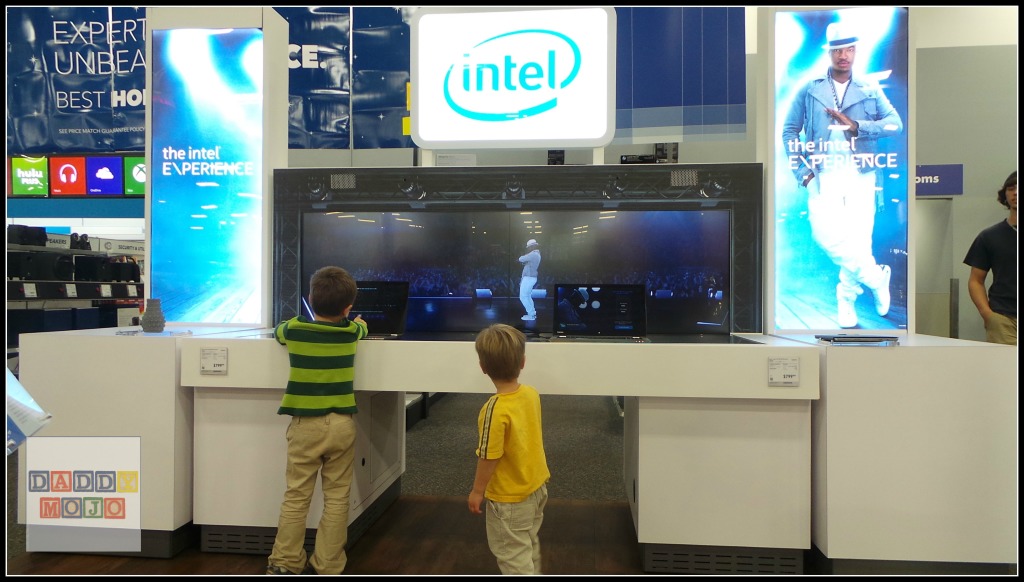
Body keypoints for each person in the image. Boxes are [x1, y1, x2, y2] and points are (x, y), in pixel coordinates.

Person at [782, 20, 904, 328]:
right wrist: (803, 172)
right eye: (838, 50)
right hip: (822, 175)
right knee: (825, 235)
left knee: (858, 240)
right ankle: (877, 278)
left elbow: (895, 124)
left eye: (849, 49)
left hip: (861, 174)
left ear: (856, 51)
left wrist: (858, 126)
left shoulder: (868, 89)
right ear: (829, 53)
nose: (843, 56)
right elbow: (789, 131)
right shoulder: (810, 90)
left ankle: (845, 301)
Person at [266, 266, 368, 575]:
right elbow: (361, 328)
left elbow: (278, 332)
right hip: (341, 424)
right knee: (337, 498)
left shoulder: (296, 329)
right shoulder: (351, 332)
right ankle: (328, 565)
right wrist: (358, 322)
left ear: (311, 298)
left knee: (297, 495)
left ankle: (285, 563)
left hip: (305, 426)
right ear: (348, 308)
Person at [468, 324, 550, 575]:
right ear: (523, 362)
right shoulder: (531, 394)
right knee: (526, 546)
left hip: (509, 499)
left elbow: (489, 456)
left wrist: (477, 490)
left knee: (513, 559)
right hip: (536, 489)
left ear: (483, 367)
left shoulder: (494, 408)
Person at [963, 171, 1017, 345]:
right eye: (1011, 188)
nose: (1015, 192)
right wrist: (988, 315)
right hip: (1004, 320)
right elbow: (975, 281)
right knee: (1003, 371)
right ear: (1005, 195)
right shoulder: (989, 237)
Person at [518, 239, 541, 321]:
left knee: (523, 297)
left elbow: (521, 259)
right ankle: (532, 314)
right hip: (530, 277)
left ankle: (531, 315)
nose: (528, 249)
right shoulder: (536, 254)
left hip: (529, 278)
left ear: (532, 246)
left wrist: (523, 257)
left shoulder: (533, 254)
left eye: (528, 247)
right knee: (527, 296)